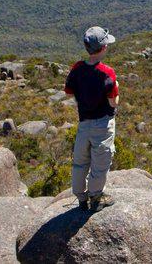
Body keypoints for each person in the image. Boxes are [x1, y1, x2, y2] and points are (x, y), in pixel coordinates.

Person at [64, 26, 119, 212]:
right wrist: (116, 89)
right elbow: (113, 103)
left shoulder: (77, 68)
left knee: (80, 161)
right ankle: (96, 197)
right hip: (102, 124)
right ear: (103, 48)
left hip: (84, 123)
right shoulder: (107, 72)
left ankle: (80, 198)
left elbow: (70, 92)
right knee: (100, 162)